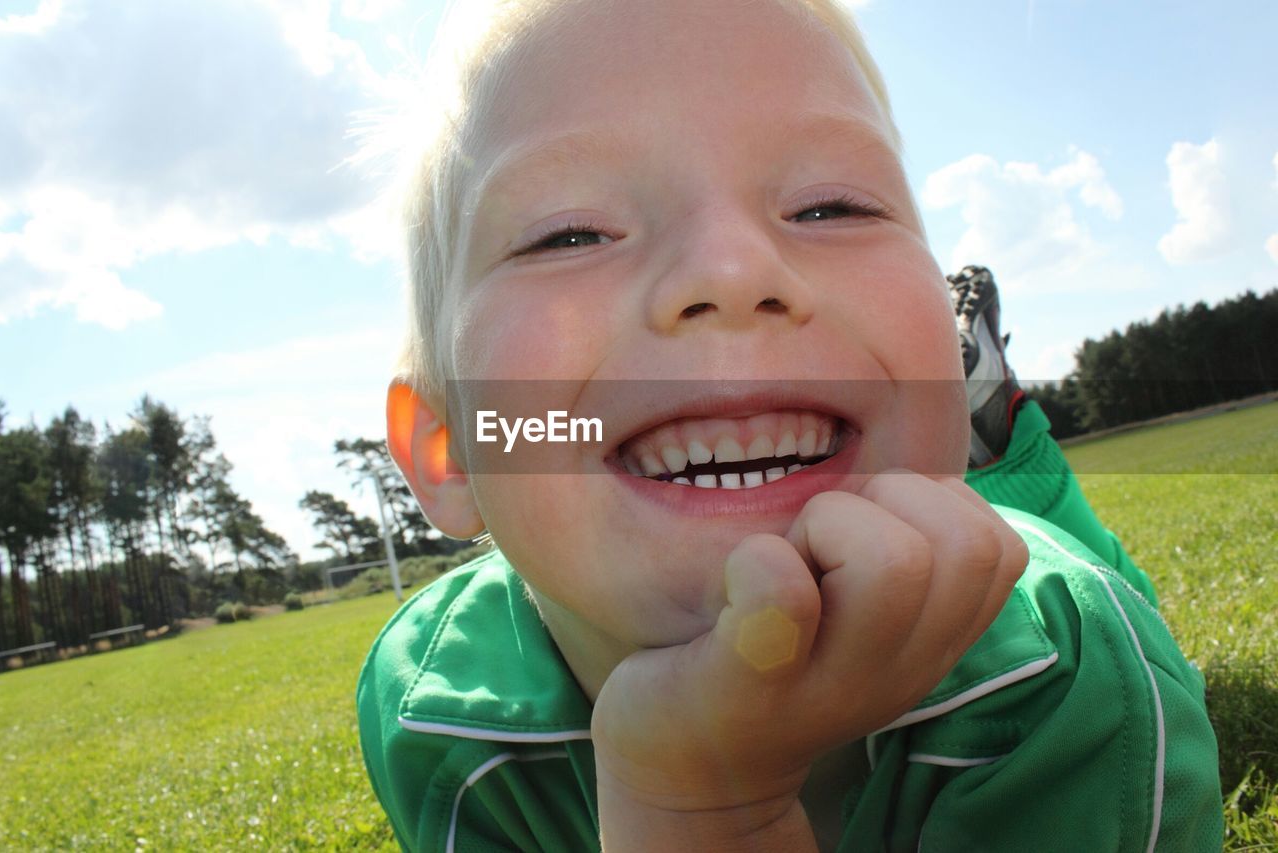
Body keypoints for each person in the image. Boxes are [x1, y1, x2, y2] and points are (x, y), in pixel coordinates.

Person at [356, 1, 1222, 849]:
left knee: (1078, 557)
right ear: (449, 451)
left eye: (829, 208)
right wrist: (691, 800)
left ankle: (1000, 436)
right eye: (571, 234)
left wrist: (704, 811)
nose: (731, 268)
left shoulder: (1076, 682)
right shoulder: (429, 710)